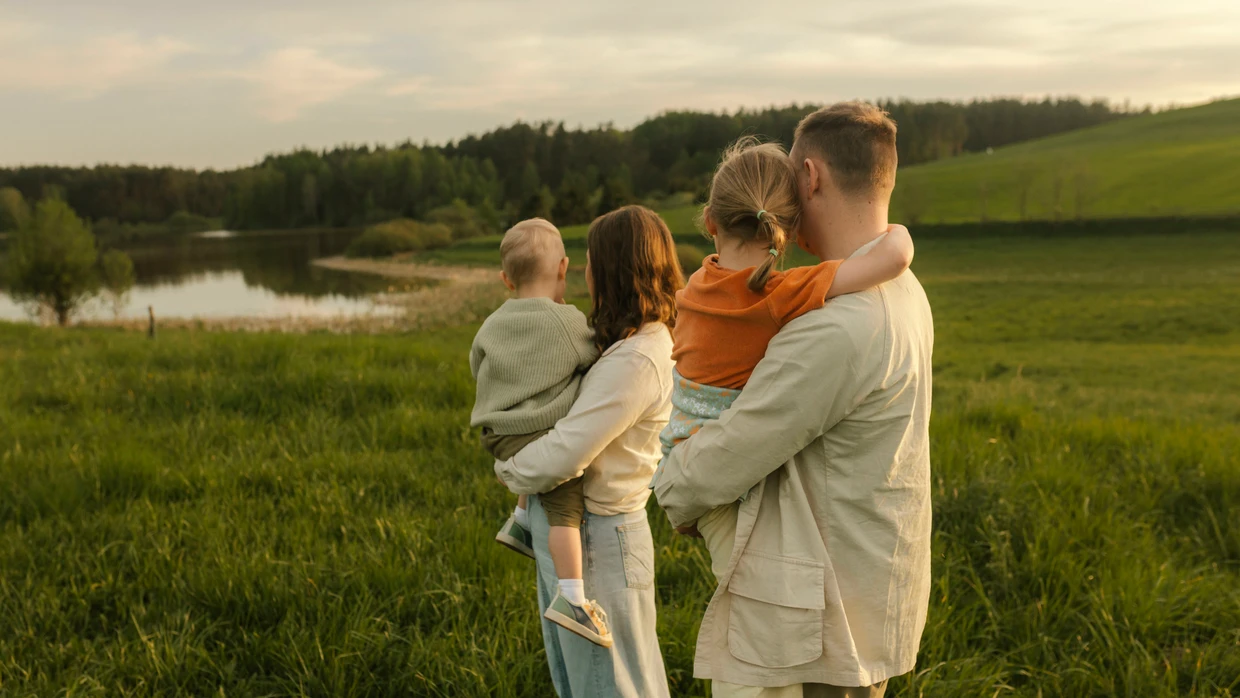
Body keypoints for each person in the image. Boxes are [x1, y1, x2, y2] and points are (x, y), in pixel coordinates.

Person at [654, 102, 935, 698]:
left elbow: (732, 451)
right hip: (865, 594)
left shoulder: (835, 328)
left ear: (810, 177)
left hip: (818, 625)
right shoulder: (905, 290)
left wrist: (669, 487)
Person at [652, 136, 913, 494]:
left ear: (711, 222)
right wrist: (896, 230)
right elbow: (894, 259)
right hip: (726, 471)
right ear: (788, 231)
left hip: (676, 445)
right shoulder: (781, 293)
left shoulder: (696, 283)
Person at [495, 205, 679, 697]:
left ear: (615, 269)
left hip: (600, 540)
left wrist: (508, 468)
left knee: (612, 686)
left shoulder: (638, 358)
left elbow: (564, 454)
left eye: (593, 260)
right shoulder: (627, 343)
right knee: (584, 681)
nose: (584, 271)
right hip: (582, 533)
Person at [469, 217, 611, 646]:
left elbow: (478, 365)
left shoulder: (491, 324)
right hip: (536, 434)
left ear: (505, 279)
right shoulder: (565, 321)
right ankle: (572, 598)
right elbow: (595, 355)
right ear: (564, 269)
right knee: (565, 508)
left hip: (497, 432)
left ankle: (518, 521)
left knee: (532, 428)